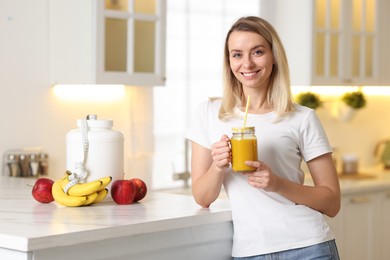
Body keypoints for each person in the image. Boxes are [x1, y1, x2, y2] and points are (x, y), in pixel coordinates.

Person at [186, 16, 341, 259]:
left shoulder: (302, 118)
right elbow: (203, 198)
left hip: (308, 247)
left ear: (274, 56)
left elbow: (332, 202)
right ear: (228, 62)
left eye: (257, 52)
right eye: (237, 54)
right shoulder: (208, 114)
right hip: (251, 251)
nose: (247, 63)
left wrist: (277, 183)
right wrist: (218, 166)